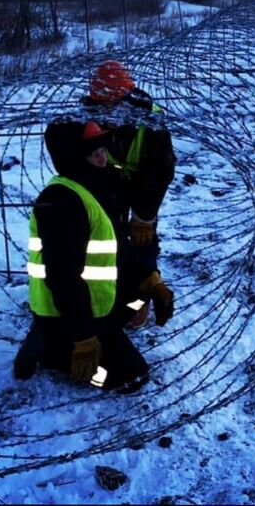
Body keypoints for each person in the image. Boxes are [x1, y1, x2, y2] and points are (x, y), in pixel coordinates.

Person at [13, 120, 149, 393]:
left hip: (97, 302)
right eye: (93, 154)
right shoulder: (63, 201)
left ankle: (83, 335)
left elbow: (119, 249)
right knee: (130, 378)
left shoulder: (97, 186)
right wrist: (84, 338)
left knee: (140, 298)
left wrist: (148, 281)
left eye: (102, 150)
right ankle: (57, 355)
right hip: (68, 312)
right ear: (74, 159)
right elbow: (63, 278)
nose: (102, 159)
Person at [82, 60, 176, 329]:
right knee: (107, 243)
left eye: (109, 106)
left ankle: (141, 298)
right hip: (106, 186)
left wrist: (144, 216)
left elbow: (161, 172)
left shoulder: (151, 120)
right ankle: (107, 294)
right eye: (100, 106)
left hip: (142, 187)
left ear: (125, 98)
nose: (104, 112)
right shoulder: (89, 113)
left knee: (141, 240)